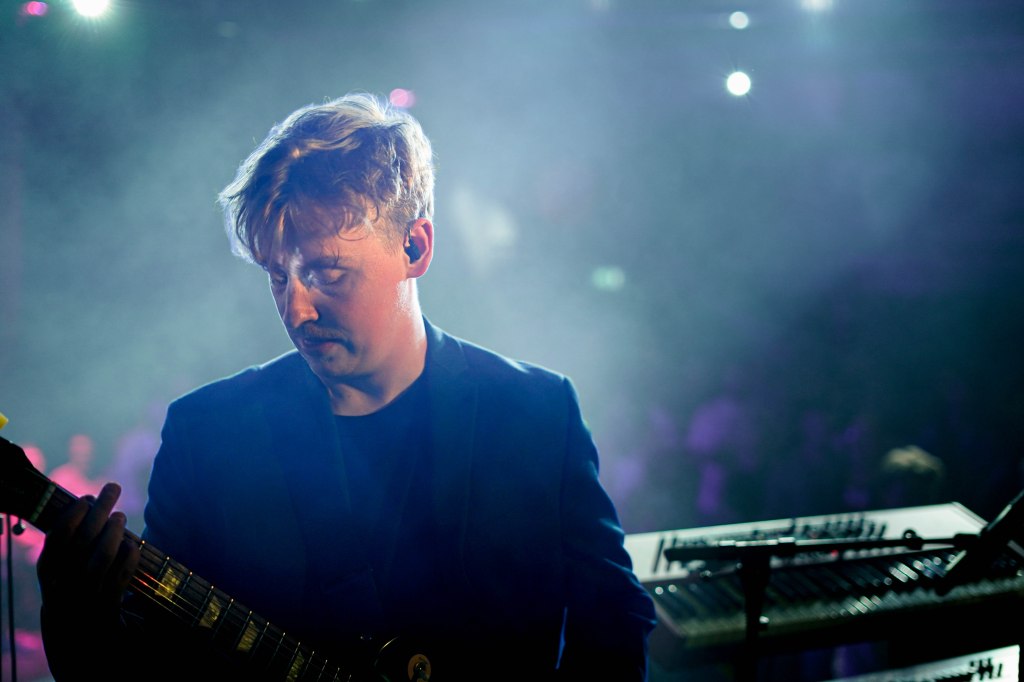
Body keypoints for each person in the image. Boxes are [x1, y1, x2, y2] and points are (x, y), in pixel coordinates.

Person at [35, 92, 657, 681]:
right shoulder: (208, 433)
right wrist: (75, 613)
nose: (296, 310)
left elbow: (614, 618)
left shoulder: (537, 413)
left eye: (327, 273)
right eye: (277, 277)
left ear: (414, 246)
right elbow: (150, 665)